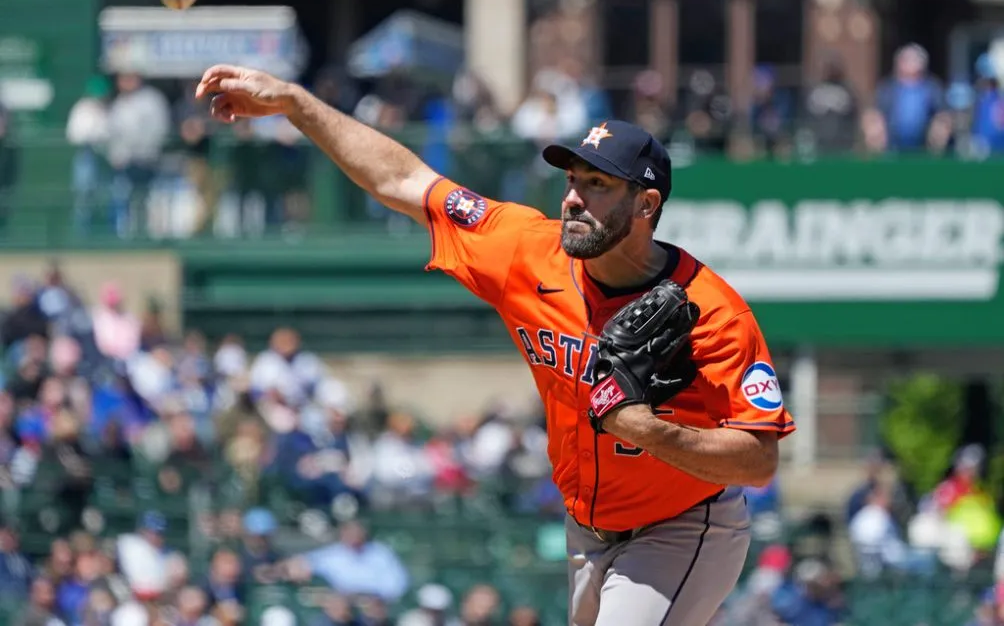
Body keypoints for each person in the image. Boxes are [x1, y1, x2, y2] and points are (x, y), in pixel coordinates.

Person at [194, 64, 796, 626]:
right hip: (585, 529)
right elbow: (404, 179)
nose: (572, 198)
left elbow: (759, 459)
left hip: (683, 525)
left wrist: (646, 428)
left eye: (597, 184)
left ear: (646, 203)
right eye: (572, 179)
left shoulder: (712, 312)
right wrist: (296, 103)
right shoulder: (524, 249)